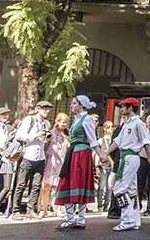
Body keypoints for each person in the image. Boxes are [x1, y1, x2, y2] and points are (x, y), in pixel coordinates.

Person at [102, 98, 150, 232]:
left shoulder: (138, 123)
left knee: (119, 188)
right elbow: (117, 141)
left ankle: (127, 220)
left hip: (130, 157)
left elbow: (146, 141)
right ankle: (134, 220)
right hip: (127, 157)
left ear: (131, 108)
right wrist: (105, 152)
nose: (122, 109)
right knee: (131, 190)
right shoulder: (127, 124)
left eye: (124, 107)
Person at [53, 96, 101, 230]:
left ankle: (78, 219)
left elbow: (93, 140)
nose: (71, 106)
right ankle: (74, 219)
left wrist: (101, 154)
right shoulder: (78, 119)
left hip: (81, 155)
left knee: (76, 183)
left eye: (74, 103)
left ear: (81, 105)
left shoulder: (87, 120)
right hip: (74, 153)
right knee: (69, 182)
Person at [12, 100, 53, 220]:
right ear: (38, 109)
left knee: (36, 185)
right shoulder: (29, 120)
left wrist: (46, 138)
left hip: (40, 157)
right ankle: (15, 210)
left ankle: (31, 209)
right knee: (21, 184)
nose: (47, 111)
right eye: (44, 108)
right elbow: (19, 135)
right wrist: (36, 134)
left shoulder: (46, 123)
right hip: (28, 156)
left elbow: (44, 140)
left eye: (48, 109)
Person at [41, 112, 70, 218]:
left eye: (66, 122)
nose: (64, 124)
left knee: (58, 186)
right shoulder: (51, 133)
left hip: (61, 162)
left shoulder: (66, 135)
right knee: (47, 185)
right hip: (51, 160)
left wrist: (66, 138)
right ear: (57, 122)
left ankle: (56, 207)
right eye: (62, 122)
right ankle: (44, 209)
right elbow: (46, 146)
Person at [137, 114, 150, 211]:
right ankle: (138, 205)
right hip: (142, 159)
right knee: (140, 183)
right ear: (146, 122)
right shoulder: (142, 132)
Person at [96, 121, 115, 211]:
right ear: (104, 128)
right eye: (109, 127)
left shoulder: (113, 141)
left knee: (109, 186)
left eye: (112, 127)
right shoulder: (100, 140)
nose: (111, 129)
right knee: (101, 186)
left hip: (111, 166)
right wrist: (97, 166)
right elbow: (96, 154)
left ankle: (106, 205)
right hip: (103, 165)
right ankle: (99, 204)